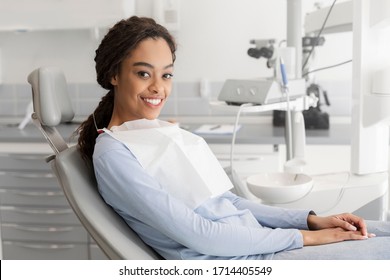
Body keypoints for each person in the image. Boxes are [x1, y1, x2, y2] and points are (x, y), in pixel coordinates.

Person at [77, 16, 390, 260]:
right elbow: (198, 234)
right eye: (144, 73)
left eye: (167, 74)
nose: (159, 88)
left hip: (258, 241)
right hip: (244, 258)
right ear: (114, 74)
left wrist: (310, 221)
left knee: (383, 230)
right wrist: (303, 238)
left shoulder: (153, 134)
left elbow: (227, 202)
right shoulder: (113, 153)